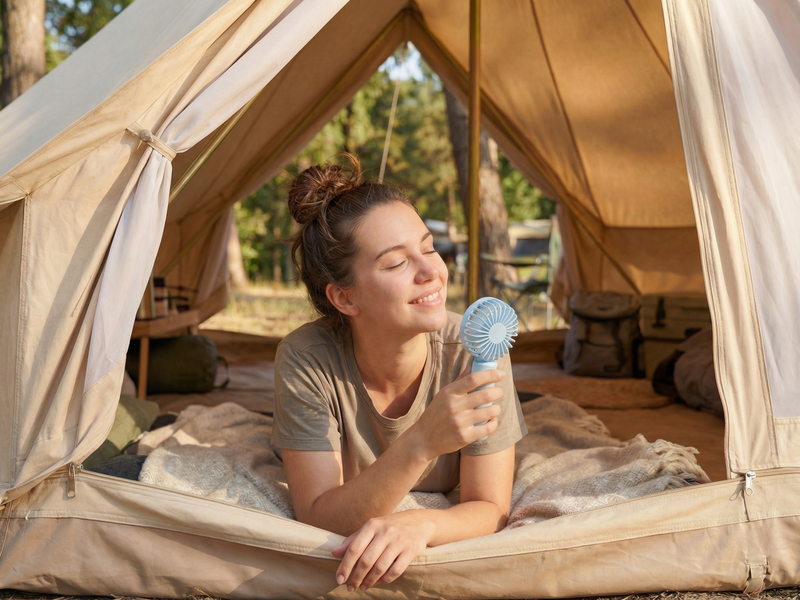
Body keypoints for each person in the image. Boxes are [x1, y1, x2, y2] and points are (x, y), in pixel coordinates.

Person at [272, 154, 527, 592]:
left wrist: (422, 524)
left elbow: (489, 505)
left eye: (428, 248)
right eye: (396, 263)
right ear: (345, 299)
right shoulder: (306, 359)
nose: (432, 271)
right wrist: (422, 441)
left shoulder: (476, 349)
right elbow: (317, 514)